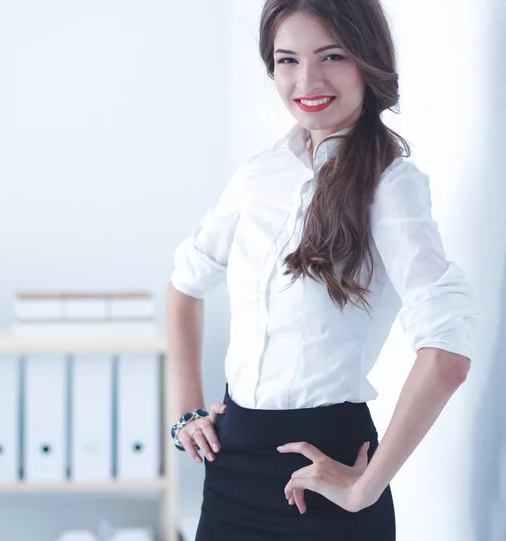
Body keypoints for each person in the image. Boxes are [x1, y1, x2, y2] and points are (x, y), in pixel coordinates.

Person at [165, 0, 481, 539]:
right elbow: (185, 283)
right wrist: (187, 411)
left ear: (367, 59)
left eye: (331, 55)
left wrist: (365, 487)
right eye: (287, 60)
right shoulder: (258, 175)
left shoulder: (390, 184)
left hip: (327, 467)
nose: (306, 79)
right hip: (232, 463)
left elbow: (447, 350)